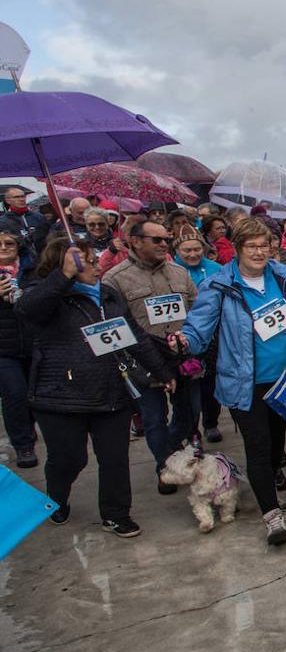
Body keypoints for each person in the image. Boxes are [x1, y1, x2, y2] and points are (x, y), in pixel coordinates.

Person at [172, 218, 286, 546]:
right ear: (237, 249)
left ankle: (272, 472)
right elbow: (199, 328)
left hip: (285, 380)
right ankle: (272, 515)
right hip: (244, 384)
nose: (259, 251)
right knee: (258, 444)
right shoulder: (220, 285)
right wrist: (184, 340)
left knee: (278, 442)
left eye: (264, 245)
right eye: (251, 246)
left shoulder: (284, 276)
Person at [18, 237, 173, 536]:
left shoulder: (108, 296)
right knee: (69, 458)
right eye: (85, 261)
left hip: (111, 392)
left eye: (94, 259)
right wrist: (62, 276)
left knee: (114, 459)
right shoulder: (47, 295)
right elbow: (28, 310)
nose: (95, 266)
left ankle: (116, 514)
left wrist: (163, 371)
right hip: (61, 397)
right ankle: (56, 498)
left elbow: (136, 337)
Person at [102, 219, 198, 494]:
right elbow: (116, 326)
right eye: (156, 240)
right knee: (153, 418)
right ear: (135, 241)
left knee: (190, 412)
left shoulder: (179, 273)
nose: (164, 245)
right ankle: (165, 468)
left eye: (166, 239)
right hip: (142, 361)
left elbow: (197, 308)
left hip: (181, 355)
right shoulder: (115, 279)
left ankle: (173, 448)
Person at [174, 227, 224, 442]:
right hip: (183, 335)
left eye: (196, 249)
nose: (193, 254)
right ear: (177, 250)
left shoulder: (217, 269)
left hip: (213, 337)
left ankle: (211, 422)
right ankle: (191, 429)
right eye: (187, 250)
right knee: (188, 389)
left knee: (211, 384)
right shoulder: (172, 270)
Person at [0, 230, 37, 467]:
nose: (4, 247)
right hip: (3, 348)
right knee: (14, 394)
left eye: (9, 243)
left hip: (33, 343)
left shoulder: (31, 269)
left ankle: (29, 431)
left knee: (33, 395)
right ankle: (23, 445)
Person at [1, 186, 49, 251]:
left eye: (23, 196)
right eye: (16, 197)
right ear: (8, 200)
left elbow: (48, 237)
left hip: (42, 256)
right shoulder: (3, 221)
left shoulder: (39, 217)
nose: (21, 199)